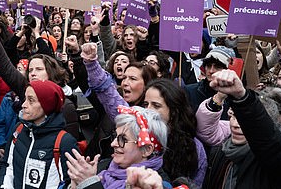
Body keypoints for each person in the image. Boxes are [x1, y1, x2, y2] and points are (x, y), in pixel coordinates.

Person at [81, 43, 206, 186]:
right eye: (146, 104)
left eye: (157, 105)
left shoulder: (193, 148)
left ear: (174, 111)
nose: (149, 110)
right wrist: (91, 64)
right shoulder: (135, 123)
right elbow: (109, 96)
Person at [198, 69, 281, 188]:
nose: (236, 124)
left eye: (243, 119)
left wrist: (243, 99)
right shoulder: (220, 151)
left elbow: (272, 147)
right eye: (232, 116)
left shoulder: (279, 158)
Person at [65, 106, 169, 189]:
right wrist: (75, 184)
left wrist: (89, 183)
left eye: (123, 139)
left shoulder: (155, 185)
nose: (113, 144)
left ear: (147, 150)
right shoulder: (102, 167)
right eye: (115, 136)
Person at [0, 79, 78, 188]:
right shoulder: (19, 129)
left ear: (47, 105)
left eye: (31, 100)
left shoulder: (64, 141)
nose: (24, 105)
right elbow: (7, 165)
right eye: (25, 99)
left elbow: (70, 183)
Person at [184, 46, 234, 118]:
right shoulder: (190, 91)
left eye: (218, 66)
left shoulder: (236, 96)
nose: (211, 71)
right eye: (208, 66)